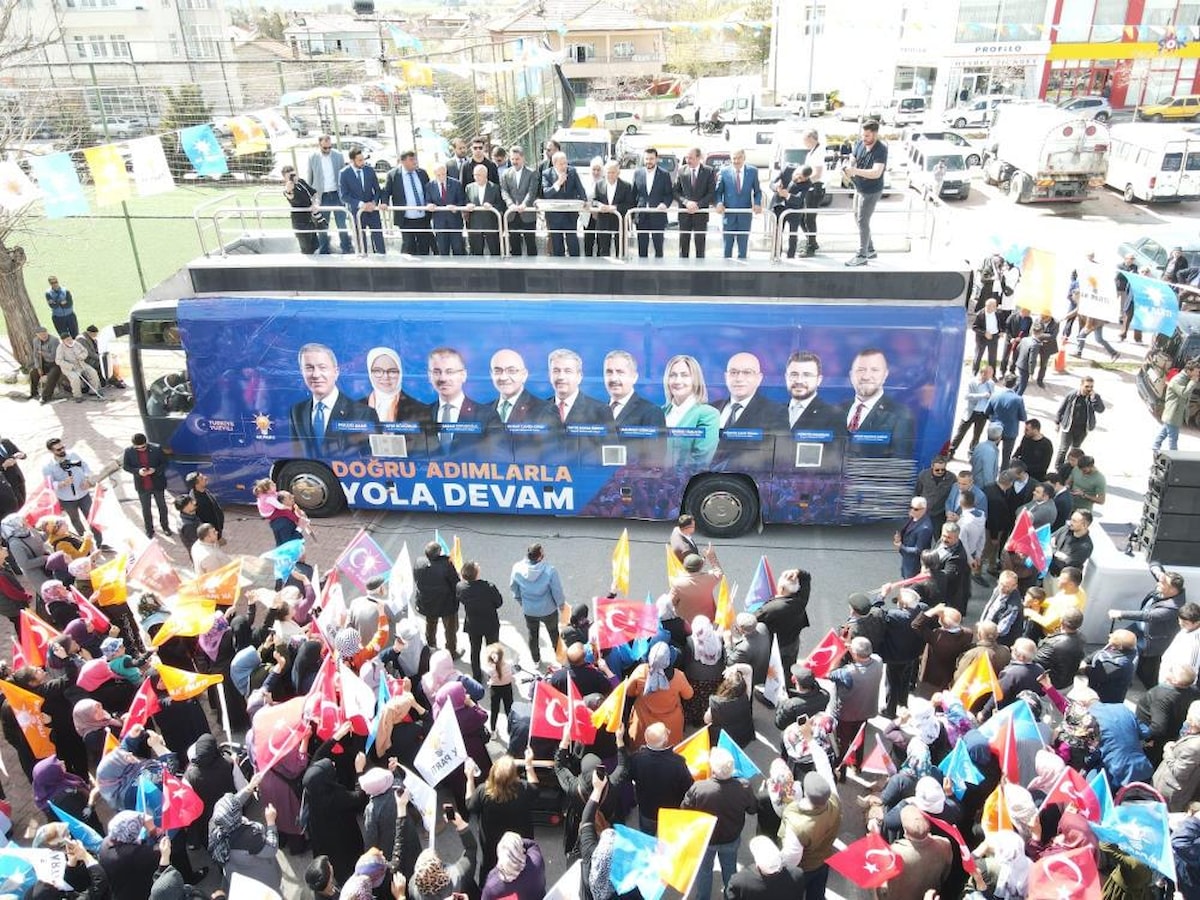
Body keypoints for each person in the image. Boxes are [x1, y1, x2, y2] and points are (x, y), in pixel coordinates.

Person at [682, 746, 757, 900]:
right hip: (731, 838)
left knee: (704, 871)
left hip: (706, 839)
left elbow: (684, 810)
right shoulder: (743, 786)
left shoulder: (699, 788)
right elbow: (752, 809)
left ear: (713, 769)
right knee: (730, 869)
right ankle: (731, 897)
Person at [289, 343, 378, 458]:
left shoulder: (364, 413)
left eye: (322, 367)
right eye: (309, 368)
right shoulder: (297, 411)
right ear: (302, 372)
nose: (316, 375)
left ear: (336, 372)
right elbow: (297, 455)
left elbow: (371, 460)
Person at [1109, 569, 1187, 688]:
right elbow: (1155, 567)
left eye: (1162, 583)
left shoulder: (1174, 607)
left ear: (1172, 589)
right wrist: (1155, 567)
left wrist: (1121, 614)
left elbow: (1149, 616)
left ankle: (1125, 680)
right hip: (1139, 628)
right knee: (1118, 641)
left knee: (1133, 656)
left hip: (1150, 639)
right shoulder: (1164, 588)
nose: (1158, 584)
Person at [712, 351, 787, 468]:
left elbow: (778, 454)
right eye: (733, 372)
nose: (739, 378)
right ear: (726, 377)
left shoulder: (775, 413)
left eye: (747, 372)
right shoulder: (711, 409)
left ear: (759, 378)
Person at [842, 347, 915, 458]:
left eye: (874, 370)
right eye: (861, 370)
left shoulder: (900, 414)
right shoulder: (837, 410)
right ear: (851, 375)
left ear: (885, 375)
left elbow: (900, 461)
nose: (866, 377)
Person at [779, 772, 841, 899]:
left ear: (805, 793)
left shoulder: (797, 823)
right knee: (817, 895)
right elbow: (826, 771)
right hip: (823, 861)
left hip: (804, 869)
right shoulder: (835, 802)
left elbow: (791, 858)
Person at [829, 637, 883, 773]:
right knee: (859, 740)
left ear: (855, 654)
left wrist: (841, 652)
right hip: (865, 711)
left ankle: (841, 771)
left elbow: (830, 672)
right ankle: (857, 766)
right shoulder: (878, 662)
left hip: (845, 715)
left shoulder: (847, 672)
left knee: (842, 743)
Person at [628, 640, 694, 748]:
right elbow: (688, 695)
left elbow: (629, 692)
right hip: (671, 724)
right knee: (670, 748)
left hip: (643, 723)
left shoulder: (640, 671)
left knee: (641, 749)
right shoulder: (678, 676)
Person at [509, 543, 564, 668]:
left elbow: (514, 587)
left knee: (533, 635)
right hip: (548, 610)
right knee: (554, 633)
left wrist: (521, 601)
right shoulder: (550, 570)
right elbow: (557, 591)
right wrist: (560, 605)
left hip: (529, 610)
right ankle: (560, 658)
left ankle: (536, 660)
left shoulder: (517, 568)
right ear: (539, 557)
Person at [661, 354, 720, 467]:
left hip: (685, 478)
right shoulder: (660, 412)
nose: (677, 381)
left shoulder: (708, 414)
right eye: (673, 375)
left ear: (695, 379)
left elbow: (701, 461)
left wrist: (668, 475)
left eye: (685, 375)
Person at [844, 120, 888, 266]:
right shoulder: (859, 143)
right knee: (857, 218)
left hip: (872, 190)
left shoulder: (881, 149)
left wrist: (855, 171)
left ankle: (862, 255)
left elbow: (876, 173)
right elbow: (853, 157)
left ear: (875, 134)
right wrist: (849, 166)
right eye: (863, 135)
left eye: (867, 136)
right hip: (859, 187)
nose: (864, 138)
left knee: (863, 220)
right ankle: (870, 249)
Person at [755, 568, 811, 674]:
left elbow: (754, 619)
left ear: (781, 588)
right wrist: (797, 572)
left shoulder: (772, 608)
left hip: (777, 645)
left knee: (774, 670)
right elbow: (806, 578)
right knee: (789, 667)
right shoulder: (801, 600)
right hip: (792, 642)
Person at [306, 134, 353, 253]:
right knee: (322, 225)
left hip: (337, 195)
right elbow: (310, 178)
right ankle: (324, 249)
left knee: (341, 223)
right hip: (322, 196)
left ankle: (346, 248)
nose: (327, 150)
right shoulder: (313, 157)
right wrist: (312, 198)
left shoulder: (338, 156)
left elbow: (344, 176)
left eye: (329, 147)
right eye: (325, 148)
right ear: (319, 145)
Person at [414, 540, 461, 657]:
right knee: (450, 629)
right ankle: (451, 652)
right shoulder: (446, 565)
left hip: (427, 602)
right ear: (439, 553)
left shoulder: (419, 562)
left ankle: (431, 648)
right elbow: (455, 583)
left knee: (430, 625)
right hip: (446, 603)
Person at [382, 150, 434, 255]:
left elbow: (429, 190)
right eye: (411, 160)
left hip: (423, 217)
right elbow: (386, 192)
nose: (414, 162)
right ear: (403, 161)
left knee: (424, 245)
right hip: (406, 218)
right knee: (409, 246)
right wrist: (384, 203)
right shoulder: (393, 175)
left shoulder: (422, 173)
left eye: (415, 159)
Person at [42, 438, 97, 536]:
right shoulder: (48, 466)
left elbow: (85, 466)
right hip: (67, 500)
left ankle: (99, 541)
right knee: (75, 520)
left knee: (92, 517)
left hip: (83, 495)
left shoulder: (73, 455)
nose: (62, 450)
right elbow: (48, 484)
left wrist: (87, 479)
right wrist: (62, 483)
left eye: (63, 447)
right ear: (51, 451)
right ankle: (83, 539)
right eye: (58, 449)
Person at [458, 560, 502, 682]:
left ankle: (476, 675)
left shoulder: (461, 587)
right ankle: (494, 673)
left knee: (475, 650)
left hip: (473, 624)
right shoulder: (489, 587)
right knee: (493, 650)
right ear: (476, 573)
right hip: (490, 623)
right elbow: (498, 603)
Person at [714, 149, 762, 259]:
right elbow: (718, 192)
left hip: (745, 215)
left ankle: (742, 268)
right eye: (734, 158)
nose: (736, 161)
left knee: (743, 247)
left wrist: (757, 203)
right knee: (727, 247)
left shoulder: (752, 171)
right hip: (729, 214)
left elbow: (757, 192)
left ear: (744, 158)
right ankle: (726, 268)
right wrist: (719, 203)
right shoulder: (724, 172)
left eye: (739, 158)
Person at [121, 433, 171, 538]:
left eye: (143, 447)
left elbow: (165, 463)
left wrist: (155, 470)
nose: (141, 449)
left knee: (162, 506)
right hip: (142, 485)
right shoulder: (129, 451)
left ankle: (165, 527)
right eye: (137, 448)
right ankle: (149, 529)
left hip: (157, 483)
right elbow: (126, 466)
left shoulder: (156, 449)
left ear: (146, 443)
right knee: (146, 509)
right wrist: (138, 471)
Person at [338, 147, 386, 255]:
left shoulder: (369, 170)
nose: (362, 162)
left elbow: (377, 190)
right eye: (359, 160)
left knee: (378, 239)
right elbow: (344, 196)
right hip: (357, 212)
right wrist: (361, 204)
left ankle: (381, 258)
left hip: (372, 211)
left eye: (363, 159)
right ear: (352, 160)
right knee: (360, 240)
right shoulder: (344, 173)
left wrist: (374, 202)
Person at [1054, 375, 1105, 470]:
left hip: (1082, 429)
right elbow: (1062, 408)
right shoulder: (1072, 395)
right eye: (1087, 386)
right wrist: (1057, 422)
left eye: (1091, 387)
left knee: (1075, 450)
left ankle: (1069, 468)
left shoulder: (1094, 397)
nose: (1089, 389)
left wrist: (1094, 399)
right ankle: (1058, 467)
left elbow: (1101, 409)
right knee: (1063, 449)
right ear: (1081, 385)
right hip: (1069, 426)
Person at [541, 150, 587, 256]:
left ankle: (575, 263)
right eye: (561, 164)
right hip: (554, 215)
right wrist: (558, 183)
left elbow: (580, 189)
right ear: (554, 164)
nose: (564, 166)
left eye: (565, 163)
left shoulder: (572, 172)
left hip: (570, 214)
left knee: (573, 243)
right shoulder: (547, 174)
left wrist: (584, 201)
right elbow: (546, 193)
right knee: (557, 245)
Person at [632, 147, 674, 258]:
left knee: (658, 248)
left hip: (658, 216)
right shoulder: (637, 173)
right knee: (642, 249)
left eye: (651, 159)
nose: (648, 161)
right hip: (641, 216)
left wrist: (664, 204)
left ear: (656, 159)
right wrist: (632, 216)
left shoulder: (664, 174)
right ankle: (642, 268)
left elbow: (669, 194)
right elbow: (633, 195)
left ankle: (659, 268)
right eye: (646, 159)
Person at [674, 147, 715, 258]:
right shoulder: (681, 171)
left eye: (691, 158)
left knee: (700, 246)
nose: (688, 160)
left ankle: (700, 267)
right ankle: (683, 267)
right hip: (685, 214)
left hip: (701, 214)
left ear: (699, 158)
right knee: (683, 246)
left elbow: (711, 193)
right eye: (686, 158)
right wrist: (686, 202)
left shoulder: (708, 171)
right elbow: (675, 192)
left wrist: (698, 205)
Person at [590, 159, 635, 258]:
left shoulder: (626, 186)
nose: (610, 175)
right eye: (608, 172)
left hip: (620, 222)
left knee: (621, 250)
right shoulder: (599, 185)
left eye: (613, 172)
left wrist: (615, 207)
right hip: (603, 221)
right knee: (603, 251)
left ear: (618, 173)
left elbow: (630, 204)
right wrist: (599, 205)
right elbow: (594, 201)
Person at [1153, 357, 1199, 454]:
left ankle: (1155, 446)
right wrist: (1193, 382)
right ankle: (1174, 457)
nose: (1198, 374)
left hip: (1174, 413)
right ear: (1189, 371)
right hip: (1173, 414)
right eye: (1196, 372)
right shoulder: (1177, 381)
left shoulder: (1186, 379)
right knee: (1173, 439)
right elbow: (1184, 393)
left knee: (1164, 432)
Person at [500, 146, 539, 256]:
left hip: (527, 213)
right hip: (512, 214)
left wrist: (524, 204)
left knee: (530, 243)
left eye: (517, 159)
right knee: (514, 243)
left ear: (523, 158)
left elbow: (532, 192)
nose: (514, 162)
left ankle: (532, 264)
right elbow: (504, 191)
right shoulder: (506, 173)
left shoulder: (532, 173)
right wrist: (510, 204)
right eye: (512, 159)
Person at [281, 164, 327, 254]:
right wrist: (289, 190)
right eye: (290, 176)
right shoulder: (288, 189)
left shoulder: (301, 182)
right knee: (306, 249)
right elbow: (289, 195)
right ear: (285, 178)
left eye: (294, 175)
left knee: (315, 245)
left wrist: (315, 203)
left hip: (311, 219)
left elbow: (314, 192)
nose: (293, 178)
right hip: (300, 223)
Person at [425, 161, 467, 256]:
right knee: (443, 250)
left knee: (458, 249)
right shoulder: (430, 186)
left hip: (454, 222)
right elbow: (427, 201)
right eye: (438, 175)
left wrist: (456, 207)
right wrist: (429, 205)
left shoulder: (456, 184)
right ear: (434, 174)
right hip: (440, 223)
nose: (441, 177)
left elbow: (462, 200)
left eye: (443, 174)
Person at [985, 373, 1026, 467]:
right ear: (1015, 384)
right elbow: (1023, 417)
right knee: (1006, 458)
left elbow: (986, 411)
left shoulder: (995, 395)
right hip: (1010, 430)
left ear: (1004, 382)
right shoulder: (1018, 399)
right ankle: (1003, 474)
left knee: (990, 454)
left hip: (995, 429)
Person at [464, 163, 504, 256]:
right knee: (476, 252)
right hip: (475, 224)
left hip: (491, 224)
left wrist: (491, 206)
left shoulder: (495, 187)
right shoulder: (469, 187)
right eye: (475, 175)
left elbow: (501, 205)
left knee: (495, 251)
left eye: (479, 175)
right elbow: (466, 201)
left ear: (485, 175)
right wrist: (468, 205)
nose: (476, 177)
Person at [56, 333, 105, 403]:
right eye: (67, 340)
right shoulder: (60, 348)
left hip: (81, 364)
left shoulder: (76, 344)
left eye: (70, 339)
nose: (70, 341)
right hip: (69, 368)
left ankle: (94, 390)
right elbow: (58, 361)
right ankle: (77, 396)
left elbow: (85, 351)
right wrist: (70, 366)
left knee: (93, 372)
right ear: (63, 341)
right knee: (75, 378)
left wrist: (81, 357)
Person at [895, 497, 934, 579]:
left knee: (910, 584)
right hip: (907, 561)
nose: (912, 510)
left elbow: (919, 550)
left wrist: (901, 547)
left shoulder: (925, 528)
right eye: (911, 507)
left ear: (924, 509)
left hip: (914, 565)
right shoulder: (914, 517)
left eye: (916, 509)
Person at [184, 471, 223, 540]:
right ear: (196, 484)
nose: (206, 478)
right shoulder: (195, 501)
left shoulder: (204, 490)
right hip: (210, 535)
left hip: (216, 529)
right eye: (202, 478)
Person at [29, 326, 63, 404]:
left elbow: (53, 356)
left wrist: (42, 353)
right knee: (33, 372)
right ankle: (34, 393)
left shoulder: (54, 340)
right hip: (43, 363)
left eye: (45, 333)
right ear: (37, 335)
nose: (44, 336)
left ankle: (45, 397)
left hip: (55, 364)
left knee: (51, 376)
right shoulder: (35, 341)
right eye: (41, 335)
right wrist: (38, 367)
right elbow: (35, 355)